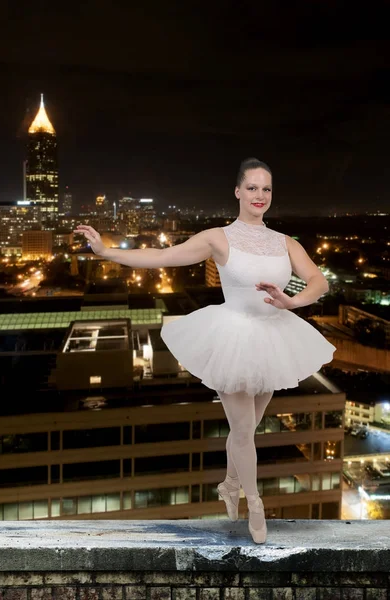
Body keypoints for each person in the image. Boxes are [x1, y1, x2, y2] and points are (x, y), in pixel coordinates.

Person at [75, 157, 337, 544]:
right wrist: (108, 252)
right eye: (252, 187)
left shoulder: (286, 243)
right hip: (231, 336)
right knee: (245, 429)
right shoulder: (218, 237)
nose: (259, 195)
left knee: (245, 428)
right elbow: (165, 256)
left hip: (274, 337)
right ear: (237, 192)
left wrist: (292, 302)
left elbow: (319, 281)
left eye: (266, 188)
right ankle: (255, 504)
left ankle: (230, 484)